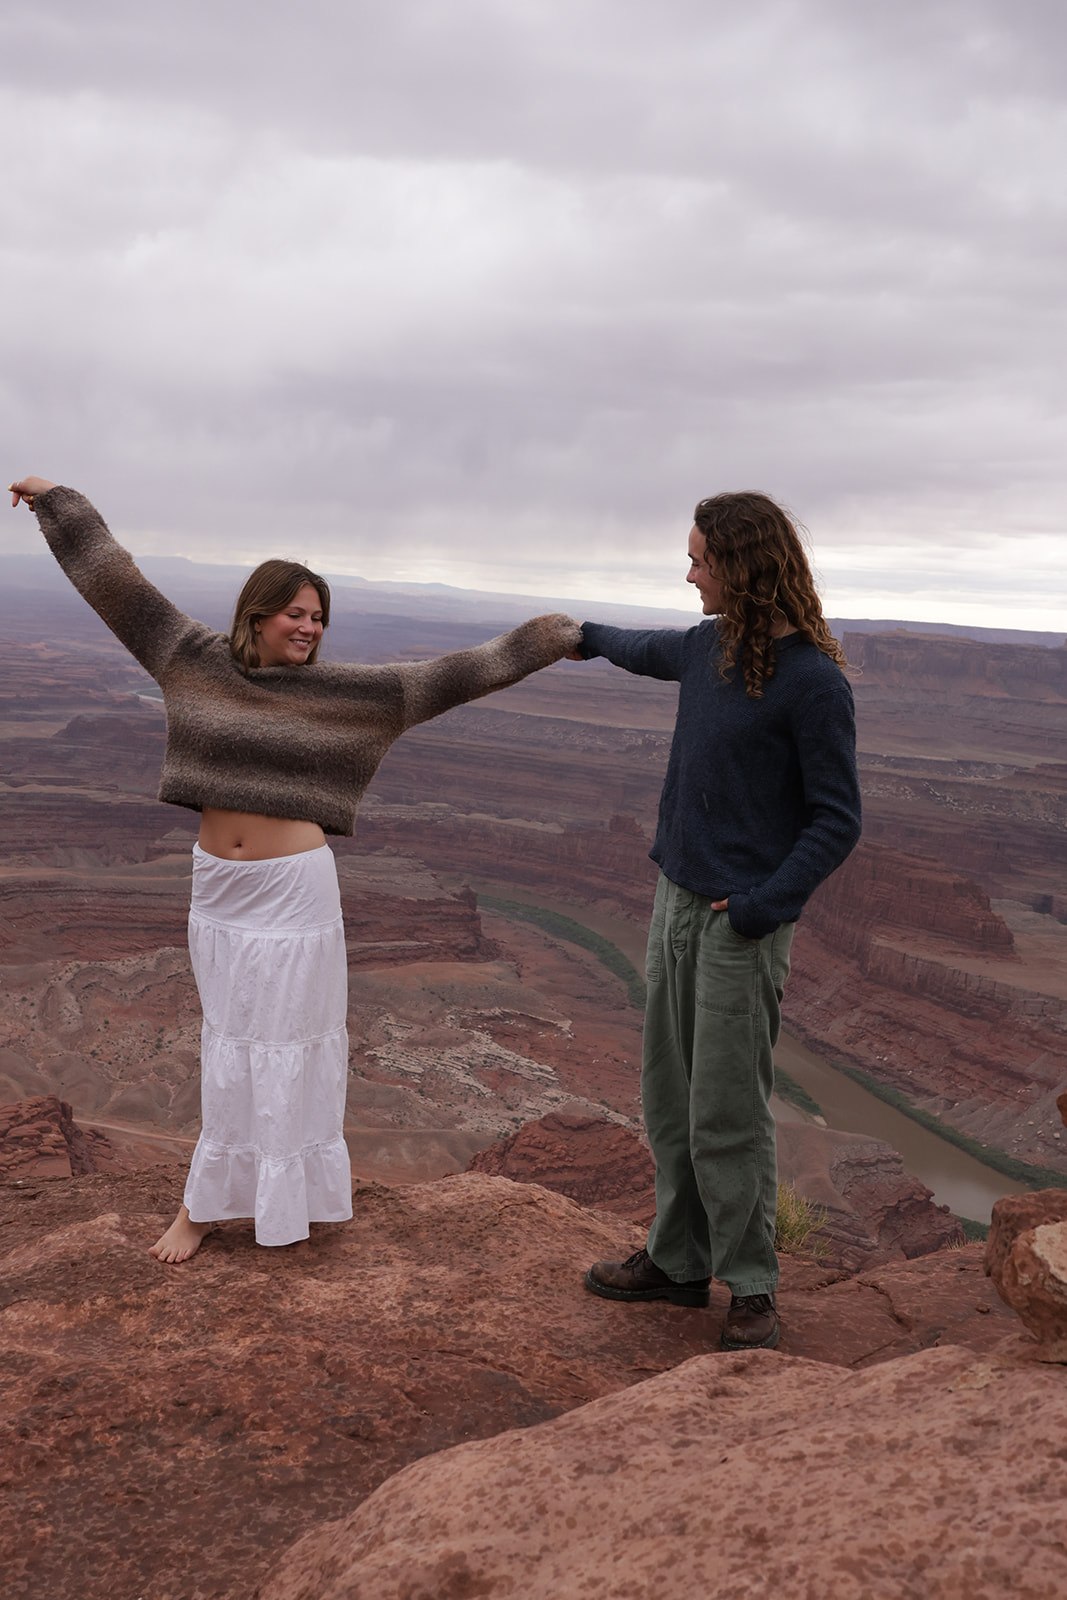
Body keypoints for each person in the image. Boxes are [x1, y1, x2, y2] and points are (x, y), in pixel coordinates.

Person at [10, 474, 581, 1263]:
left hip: (292, 898)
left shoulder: (352, 695)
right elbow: (115, 583)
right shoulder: (189, 657)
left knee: (282, 1047)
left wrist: (553, 636)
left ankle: (232, 1209)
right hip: (217, 891)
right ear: (257, 614)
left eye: (318, 618)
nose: (309, 629)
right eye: (295, 614)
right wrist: (57, 502)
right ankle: (221, 1203)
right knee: (230, 1046)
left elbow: (456, 674)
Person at [578, 492, 861, 1350]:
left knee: (726, 1112)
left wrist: (763, 908)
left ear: (741, 567)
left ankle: (750, 1286)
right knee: (668, 1099)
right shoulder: (707, 649)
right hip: (674, 902)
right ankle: (675, 1263)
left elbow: (835, 818)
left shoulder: (811, 682)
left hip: (738, 921)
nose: (688, 570)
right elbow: (639, 648)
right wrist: (577, 634)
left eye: (699, 557)